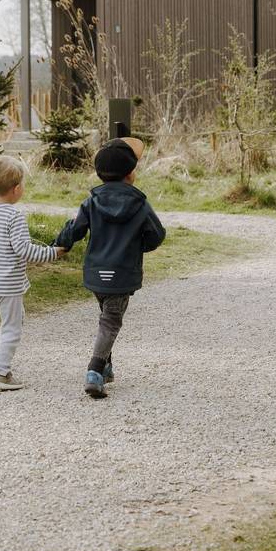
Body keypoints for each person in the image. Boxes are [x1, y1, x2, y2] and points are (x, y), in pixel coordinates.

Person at [54, 136, 166, 398]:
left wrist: (60, 243)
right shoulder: (139, 203)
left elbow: (76, 228)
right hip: (122, 273)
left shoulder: (92, 200)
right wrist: (141, 247)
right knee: (111, 322)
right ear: (130, 174)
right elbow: (157, 235)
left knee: (107, 317)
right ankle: (94, 372)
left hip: (96, 272)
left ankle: (106, 368)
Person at [0, 155, 65, 392]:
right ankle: (1, 374)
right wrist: (53, 253)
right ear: (16, 189)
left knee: (11, 320)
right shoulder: (14, 216)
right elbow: (25, 251)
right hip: (9, 285)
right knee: (12, 328)